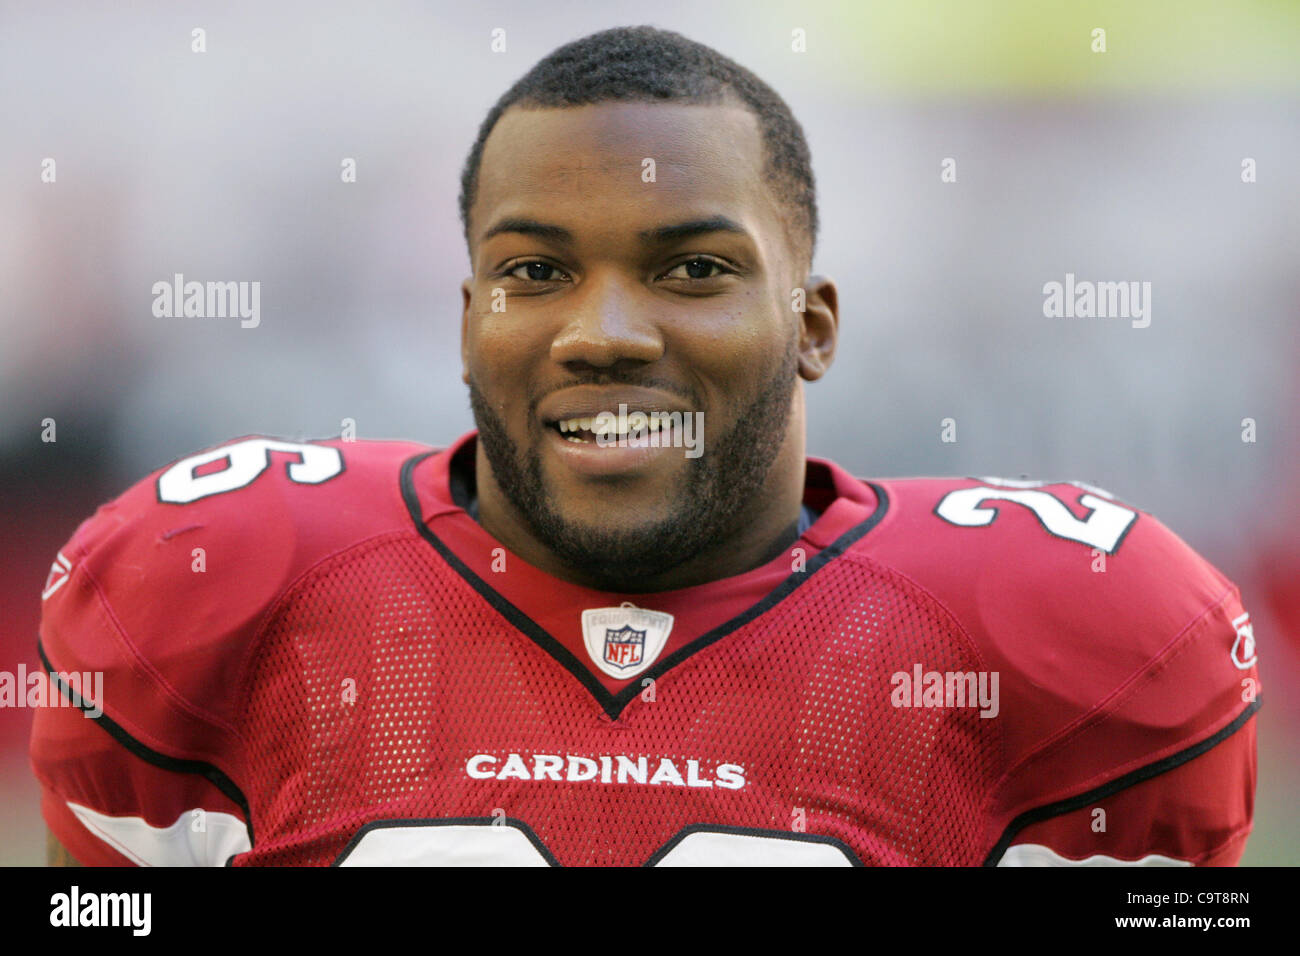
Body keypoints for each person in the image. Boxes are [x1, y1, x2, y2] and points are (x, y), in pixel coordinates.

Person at [33, 26, 1257, 867]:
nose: (603, 333)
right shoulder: (213, 583)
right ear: (468, 323)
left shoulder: (1079, 627)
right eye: (535, 270)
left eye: (692, 269)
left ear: (812, 324)